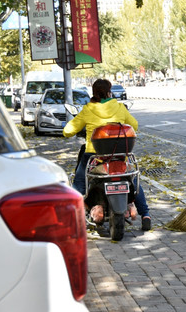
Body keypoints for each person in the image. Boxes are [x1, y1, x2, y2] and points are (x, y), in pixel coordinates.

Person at [63, 79, 151, 231]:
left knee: (78, 184)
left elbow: (68, 131)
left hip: (94, 157)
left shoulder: (88, 109)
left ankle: (74, 216)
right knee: (133, 181)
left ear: (94, 92)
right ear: (109, 91)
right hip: (119, 155)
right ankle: (146, 215)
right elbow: (134, 125)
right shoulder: (119, 107)